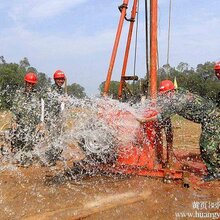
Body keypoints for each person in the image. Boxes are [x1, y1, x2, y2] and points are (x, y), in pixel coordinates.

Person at [139, 80, 220, 182]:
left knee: (206, 147)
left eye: (165, 95)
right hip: (210, 118)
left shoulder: (178, 100)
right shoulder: (179, 93)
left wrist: (144, 120)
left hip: (213, 119)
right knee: (213, 145)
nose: (164, 97)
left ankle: (215, 172)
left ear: (171, 92)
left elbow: (161, 116)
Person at [10, 72, 42, 166]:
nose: (30, 86)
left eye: (32, 84)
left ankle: (26, 159)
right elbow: (15, 109)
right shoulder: (19, 94)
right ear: (25, 83)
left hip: (31, 124)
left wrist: (39, 123)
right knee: (18, 142)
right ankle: (19, 158)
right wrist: (14, 121)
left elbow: (38, 110)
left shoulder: (36, 95)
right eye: (28, 83)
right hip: (20, 123)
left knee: (30, 142)